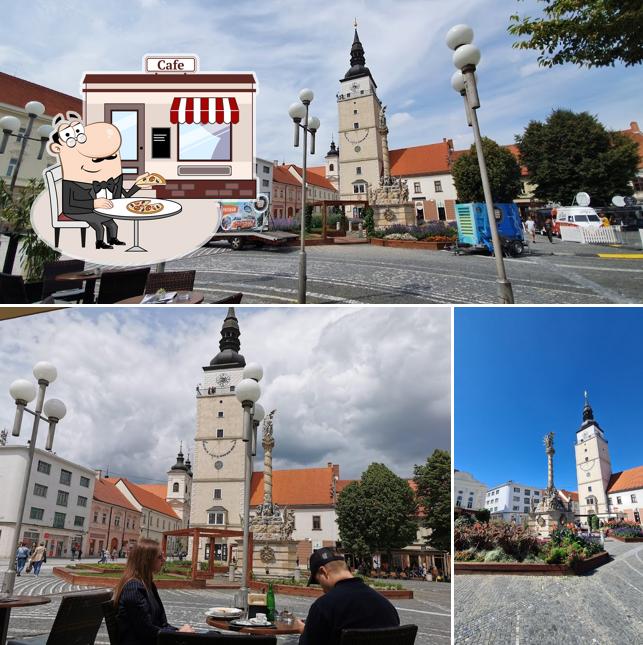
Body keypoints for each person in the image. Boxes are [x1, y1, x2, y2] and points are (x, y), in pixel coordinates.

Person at [47, 112, 153, 249]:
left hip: (99, 209)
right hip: (76, 211)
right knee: (98, 224)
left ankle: (113, 239)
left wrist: (138, 185)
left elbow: (125, 195)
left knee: (112, 223)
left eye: (111, 157)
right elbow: (69, 205)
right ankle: (99, 243)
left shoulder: (113, 180)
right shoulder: (72, 182)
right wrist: (94, 203)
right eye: (97, 159)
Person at [294, 548, 399, 645]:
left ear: (323, 571)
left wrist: (306, 632)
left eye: (318, 581)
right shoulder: (386, 605)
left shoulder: (323, 606)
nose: (322, 588)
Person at [114, 538, 194, 644]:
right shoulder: (133, 588)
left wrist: (178, 632)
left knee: (214, 636)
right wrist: (179, 634)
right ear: (147, 561)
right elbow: (146, 631)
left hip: (155, 639)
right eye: (160, 557)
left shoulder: (148, 584)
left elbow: (161, 623)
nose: (164, 560)